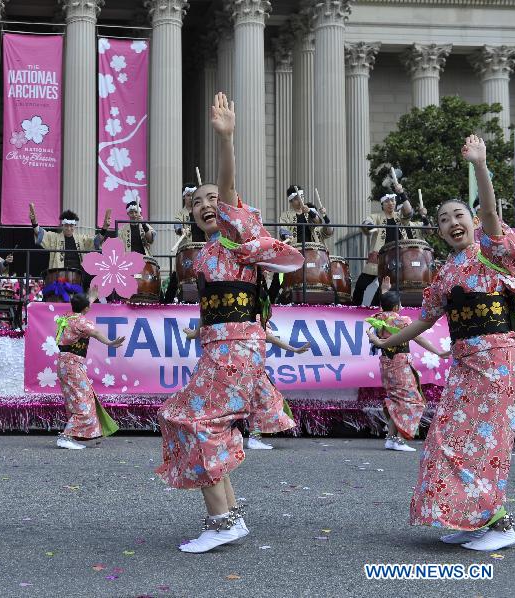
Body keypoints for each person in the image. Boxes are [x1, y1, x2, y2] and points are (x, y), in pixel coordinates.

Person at [156, 93, 303, 553]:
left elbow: (227, 188)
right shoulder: (205, 256)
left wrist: (226, 140)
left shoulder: (240, 237)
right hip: (221, 346)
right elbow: (222, 305)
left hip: (238, 348)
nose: (205, 205)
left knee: (190, 416)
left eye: (213, 199)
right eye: (197, 202)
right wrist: (202, 331)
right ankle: (229, 516)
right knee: (202, 421)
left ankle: (222, 521)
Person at [369, 134, 515, 552]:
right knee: (447, 439)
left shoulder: (492, 250)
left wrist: (480, 165)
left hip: (497, 360)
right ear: (437, 231)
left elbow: (490, 209)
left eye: (459, 215)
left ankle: (499, 522)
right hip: (465, 363)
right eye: (443, 219)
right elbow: (424, 321)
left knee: (484, 442)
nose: (453, 223)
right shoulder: (445, 274)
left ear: (472, 221)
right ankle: (472, 519)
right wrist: (388, 343)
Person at [365, 282, 448, 452]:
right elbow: (417, 337)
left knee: (397, 399)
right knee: (412, 401)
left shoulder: (378, 318)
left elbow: (386, 309)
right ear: (396, 306)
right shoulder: (401, 320)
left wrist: (385, 292)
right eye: (400, 304)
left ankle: (391, 438)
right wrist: (437, 352)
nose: (401, 306)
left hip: (386, 363)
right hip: (400, 363)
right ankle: (399, 440)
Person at [54, 292, 126, 449]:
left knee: (79, 400)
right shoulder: (81, 322)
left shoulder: (68, 316)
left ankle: (83, 435)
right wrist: (110, 343)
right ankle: (66, 437)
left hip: (65, 364)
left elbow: (82, 309)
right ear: (86, 308)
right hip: (72, 365)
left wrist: (90, 299)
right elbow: (95, 332)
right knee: (83, 401)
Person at [242, 327, 310, 450]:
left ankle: (252, 439)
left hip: (251, 368)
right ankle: (250, 439)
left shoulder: (252, 318)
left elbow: (269, 337)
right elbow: (269, 336)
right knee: (263, 401)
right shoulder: (254, 318)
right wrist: (294, 349)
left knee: (261, 401)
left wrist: (294, 349)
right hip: (246, 368)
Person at [354, 183, 415, 306]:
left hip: (398, 257)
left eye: (392, 200)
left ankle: (375, 307)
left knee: (386, 285)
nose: (390, 203)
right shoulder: (376, 217)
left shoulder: (400, 217)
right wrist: (369, 225)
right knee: (362, 284)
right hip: (379, 256)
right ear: (382, 204)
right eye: (387, 201)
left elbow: (408, 212)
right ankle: (353, 307)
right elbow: (367, 222)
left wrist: (401, 192)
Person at [30, 206, 106, 271]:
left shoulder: (82, 239)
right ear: (62, 225)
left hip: (78, 276)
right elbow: (39, 232)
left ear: (74, 226)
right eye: (66, 225)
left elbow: (96, 241)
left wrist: (105, 227)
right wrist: (34, 221)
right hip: (59, 276)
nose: (69, 228)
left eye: (71, 226)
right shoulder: (54, 237)